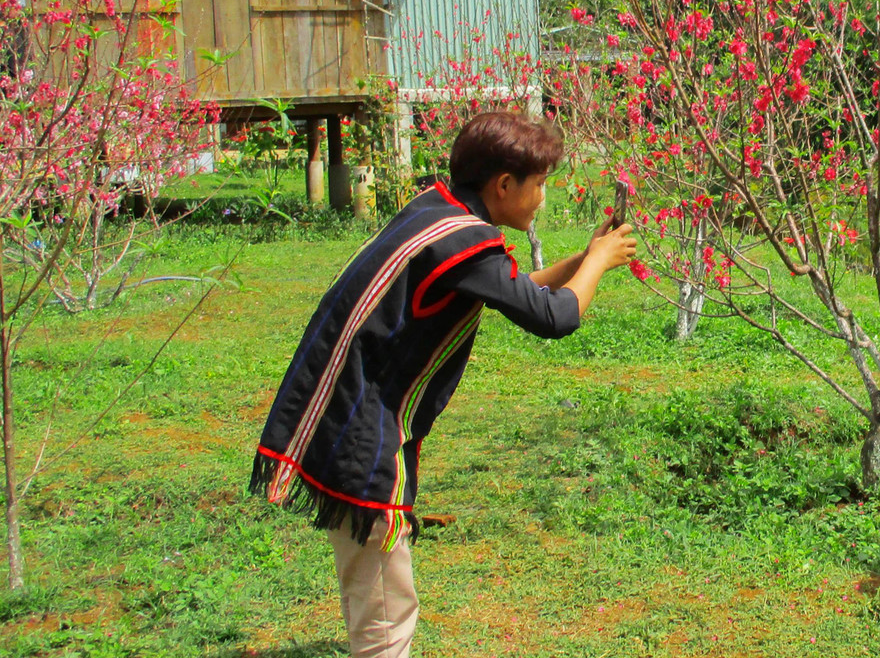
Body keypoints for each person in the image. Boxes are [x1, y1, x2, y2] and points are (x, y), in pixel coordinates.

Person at [249, 111, 637, 658]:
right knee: (385, 610)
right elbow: (555, 318)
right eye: (539, 185)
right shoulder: (464, 241)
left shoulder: (440, 211)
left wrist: (588, 259)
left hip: (339, 407)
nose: (542, 198)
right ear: (504, 185)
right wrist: (596, 263)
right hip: (360, 429)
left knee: (375, 593)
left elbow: (517, 291)